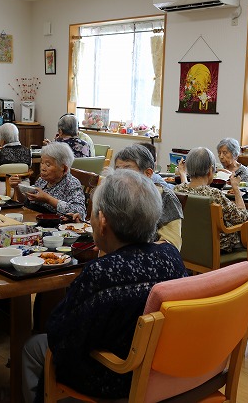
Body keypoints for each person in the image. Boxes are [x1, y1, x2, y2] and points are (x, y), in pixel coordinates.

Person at [21, 169, 187, 402]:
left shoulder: (102, 272)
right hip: (163, 372)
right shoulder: (171, 256)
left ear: (103, 221)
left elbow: (60, 337)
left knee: (33, 347)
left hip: (115, 378)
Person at [174, 147, 248, 252]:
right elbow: (244, 219)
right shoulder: (213, 194)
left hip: (186, 246)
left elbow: (185, 185)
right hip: (215, 249)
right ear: (210, 170)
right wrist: (236, 189)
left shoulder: (177, 190)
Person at [114, 144, 183, 249]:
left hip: (150, 259)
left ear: (148, 173)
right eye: (118, 170)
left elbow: (171, 245)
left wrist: (130, 251)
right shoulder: (115, 195)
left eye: (127, 170)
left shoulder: (165, 198)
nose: (120, 176)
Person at [9, 142, 86, 219]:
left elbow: (80, 212)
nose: (43, 168)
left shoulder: (71, 183)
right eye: (42, 163)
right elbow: (25, 201)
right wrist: (16, 188)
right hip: (34, 218)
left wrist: (48, 199)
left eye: (48, 165)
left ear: (64, 168)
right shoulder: (42, 180)